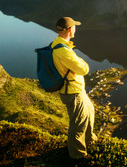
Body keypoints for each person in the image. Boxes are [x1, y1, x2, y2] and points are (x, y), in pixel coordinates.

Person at [52, 17, 97, 162]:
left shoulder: (59, 44)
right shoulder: (63, 51)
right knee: (78, 124)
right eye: (74, 27)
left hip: (75, 89)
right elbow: (83, 69)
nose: (76, 29)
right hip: (72, 91)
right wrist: (81, 61)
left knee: (89, 111)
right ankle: (77, 156)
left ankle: (90, 141)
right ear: (70, 29)